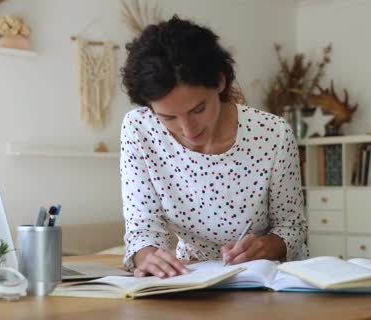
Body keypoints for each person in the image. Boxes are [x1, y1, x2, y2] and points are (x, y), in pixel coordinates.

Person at [120, 15, 306, 278]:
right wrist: (149, 258)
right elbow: (142, 227)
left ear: (220, 82)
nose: (188, 129)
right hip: (192, 280)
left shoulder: (272, 134)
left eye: (198, 109)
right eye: (169, 117)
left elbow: (293, 227)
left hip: (264, 280)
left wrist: (264, 247)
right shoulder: (139, 129)